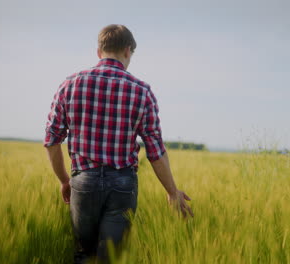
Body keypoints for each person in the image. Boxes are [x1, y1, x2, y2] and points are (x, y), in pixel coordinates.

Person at [43, 24, 193, 264]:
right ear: (127, 50)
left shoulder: (69, 85)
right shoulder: (142, 91)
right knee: (111, 258)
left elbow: (51, 140)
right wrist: (172, 191)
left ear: (98, 52)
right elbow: (155, 150)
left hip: (84, 181)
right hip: (123, 184)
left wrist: (64, 181)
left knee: (84, 255)